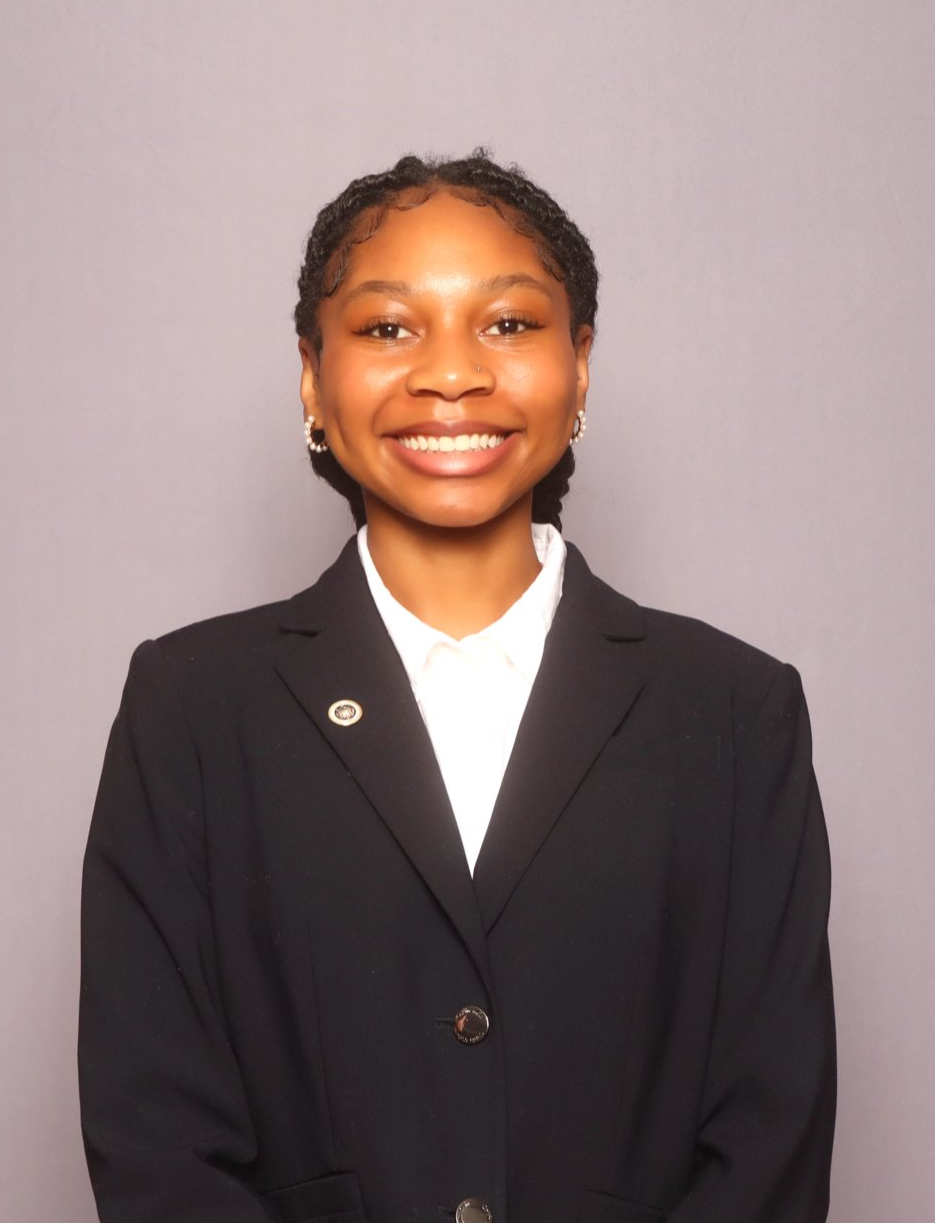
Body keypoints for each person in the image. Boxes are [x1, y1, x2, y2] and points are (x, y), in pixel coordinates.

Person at [79, 151, 836, 1223]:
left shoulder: (732, 710)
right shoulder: (191, 706)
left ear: (580, 366)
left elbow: (768, 1134)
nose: (449, 374)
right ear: (311, 373)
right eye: (388, 327)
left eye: (509, 325)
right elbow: (156, 1134)